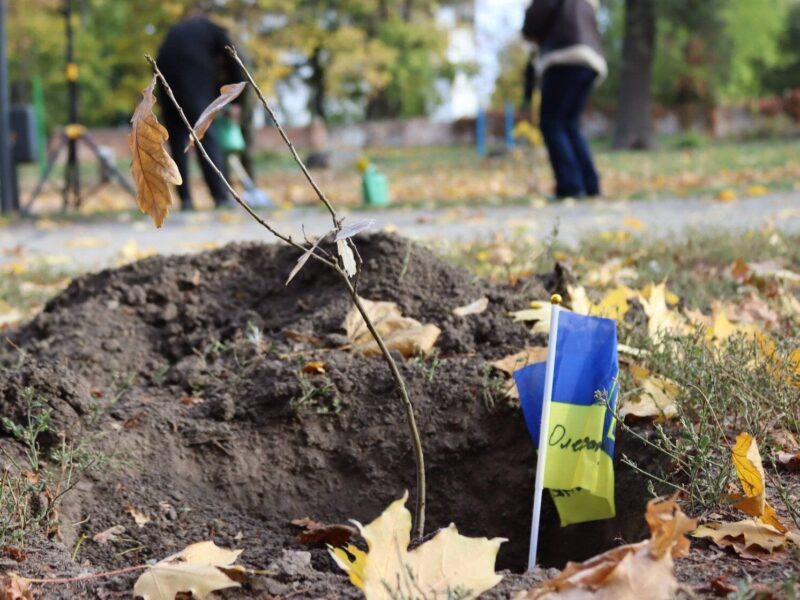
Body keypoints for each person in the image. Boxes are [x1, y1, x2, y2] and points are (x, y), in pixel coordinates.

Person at [156, 14, 243, 210]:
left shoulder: (176, 31)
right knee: (207, 136)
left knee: (177, 142)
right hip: (194, 83)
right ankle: (220, 197)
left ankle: (185, 199)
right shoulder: (215, 31)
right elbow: (234, 61)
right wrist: (236, 101)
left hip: (166, 83)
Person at [522, 0, 606, 200]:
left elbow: (536, 18)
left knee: (552, 123)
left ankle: (570, 186)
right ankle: (590, 185)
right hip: (590, 61)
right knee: (569, 124)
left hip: (564, 56)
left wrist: (528, 29)